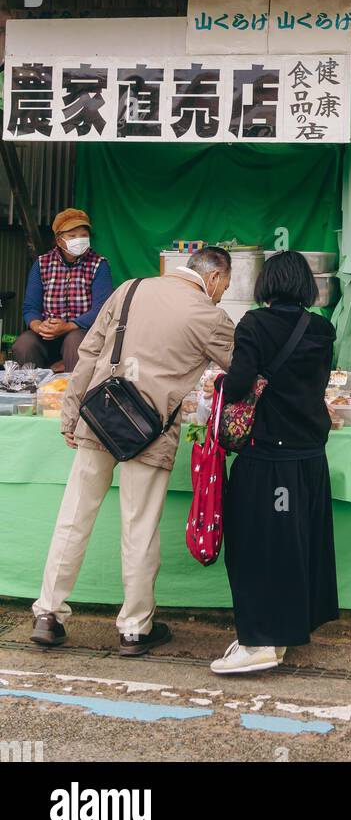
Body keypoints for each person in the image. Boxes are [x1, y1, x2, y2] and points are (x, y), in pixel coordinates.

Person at [31, 246, 235, 656]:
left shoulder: (129, 288)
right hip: (151, 430)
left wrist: (71, 414)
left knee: (74, 515)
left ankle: (48, 615)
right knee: (139, 526)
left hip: (99, 414)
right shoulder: (209, 316)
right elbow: (243, 367)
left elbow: (88, 353)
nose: (221, 295)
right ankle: (134, 629)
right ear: (213, 278)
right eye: (224, 287)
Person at [211, 251, 338, 676]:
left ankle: (261, 640)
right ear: (305, 285)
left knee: (256, 546)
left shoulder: (254, 324)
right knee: (297, 545)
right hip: (309, 457)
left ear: (266, 284)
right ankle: (279, 633)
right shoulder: (321, 329)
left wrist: (221, 384)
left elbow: (240, 383)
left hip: (268, 459)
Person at [13, 208, 113, 372]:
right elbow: (30, 307)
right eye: (72, 236)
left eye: (83, 235)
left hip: (81, 332)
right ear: (59, 241)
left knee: (74, 342)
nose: (79, 239)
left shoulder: (99, 265)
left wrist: (68, 326)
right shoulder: (42, 264)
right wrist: (39, 326)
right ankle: (30, 392)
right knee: (24, 344)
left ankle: (74, 395)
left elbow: (101, 309)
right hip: (47, 335)